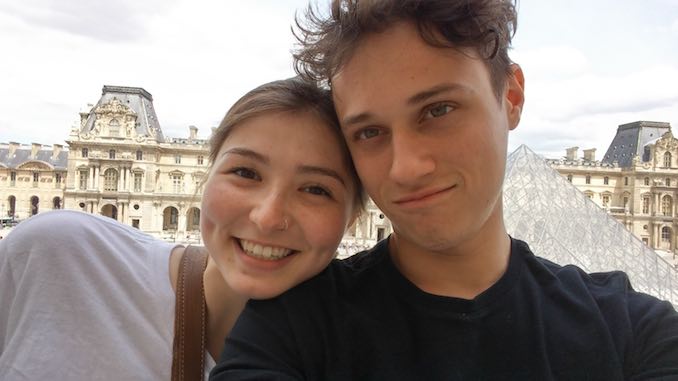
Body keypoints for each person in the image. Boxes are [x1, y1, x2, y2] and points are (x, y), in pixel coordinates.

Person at [210, 1, 678, 379]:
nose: (407, 168)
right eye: (370, 132)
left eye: (438, 110)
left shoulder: (640, 332)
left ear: (511, 97)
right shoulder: (289, 330)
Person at [0, 77, 365, 380]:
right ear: (207, 177)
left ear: (353, 216)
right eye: (245, 172)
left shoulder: (370, 355)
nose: (267, 218)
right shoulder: (56, 254)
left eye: (316, 189)